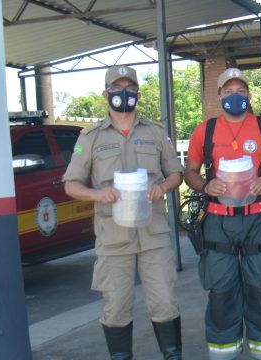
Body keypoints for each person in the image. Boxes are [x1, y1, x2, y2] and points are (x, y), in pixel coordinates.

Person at [64, 65, 184, 360]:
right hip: (113, 237)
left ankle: (173, 355)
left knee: (165, 303)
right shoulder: (90, 137)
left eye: (129, 88)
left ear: (138, 94)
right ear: (106, 93)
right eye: (117, 88)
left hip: (152, 234)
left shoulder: (155, 132)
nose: (124, 93)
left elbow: (176, 174)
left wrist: (162, 188)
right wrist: (96, 193)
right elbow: (71, 184)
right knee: (116, 308)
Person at [183, 68, 261, 360]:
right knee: (221, 290)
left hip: (258, 217)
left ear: (249, 95)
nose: (235, 96)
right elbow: (189, 172)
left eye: (241, 91)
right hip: (218, 220)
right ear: (219, 96)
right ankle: (223, 352)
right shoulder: (203, 131)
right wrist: (206, 185)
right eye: (228, 91)